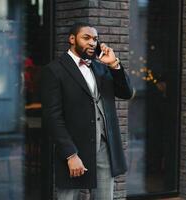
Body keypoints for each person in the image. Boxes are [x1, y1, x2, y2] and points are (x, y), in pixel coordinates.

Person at [41, 22, 133, 200]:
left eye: (95, 39)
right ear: (72, 39)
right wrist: (70, 154)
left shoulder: (101, 67)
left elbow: (126, 93)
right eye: (87, 38)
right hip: (74, 148)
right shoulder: (54, 70)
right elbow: (53, 117)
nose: (92, 42)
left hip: (104, 148)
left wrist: (114, 64)